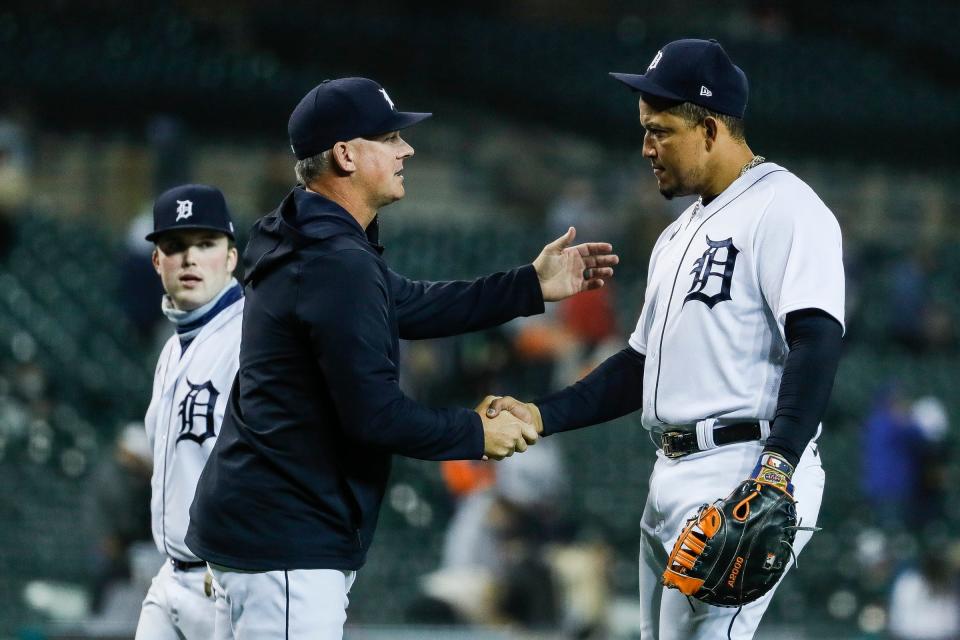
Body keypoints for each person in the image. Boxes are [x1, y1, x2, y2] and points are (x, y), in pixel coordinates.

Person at [184, 77, 619, 639]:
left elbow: (405, 303)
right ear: (345, 154)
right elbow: (376, 415)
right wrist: (476, 434)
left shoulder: (299, 234)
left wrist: (528, 286)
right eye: (388, 137)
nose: (405, 149)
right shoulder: (335, 260)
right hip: (287, 541)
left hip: (259, 528)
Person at [486, 38, 845, 639]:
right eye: (644, 129)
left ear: (709, 128)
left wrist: (776, 469)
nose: (646, 147)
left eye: (660, 131)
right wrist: (541, 416)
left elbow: (816, 340)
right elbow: (638, 366)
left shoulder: (787, 208)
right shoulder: (677, 236)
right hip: (672, 472)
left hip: (745, 469)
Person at [135, 184, 243, 640]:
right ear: (158, 262)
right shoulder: (170, 349)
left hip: (224, 578)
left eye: (205, 244)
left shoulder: (252, 339)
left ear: (231, 258)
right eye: (175, 247)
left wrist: (234, 559)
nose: (190, 259)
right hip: (171, 573)